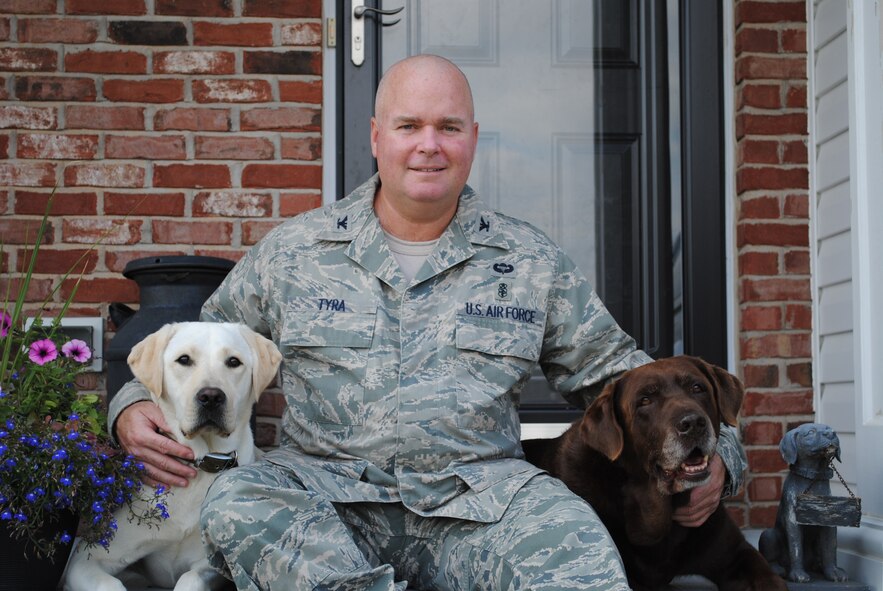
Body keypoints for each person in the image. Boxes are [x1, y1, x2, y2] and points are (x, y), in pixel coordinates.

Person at [111, 54, 746, 590]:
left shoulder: (529, 261)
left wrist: (722, 457)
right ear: (375, 136)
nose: (429, 145)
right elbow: (199, 344)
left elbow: (625, 376)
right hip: (324, 501)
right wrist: (131, 405)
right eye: (409, 124)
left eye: (448, 126)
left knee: (577, 546)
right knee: (238, 502)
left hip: (483, 504)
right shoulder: (294, 252)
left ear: (473, 136)